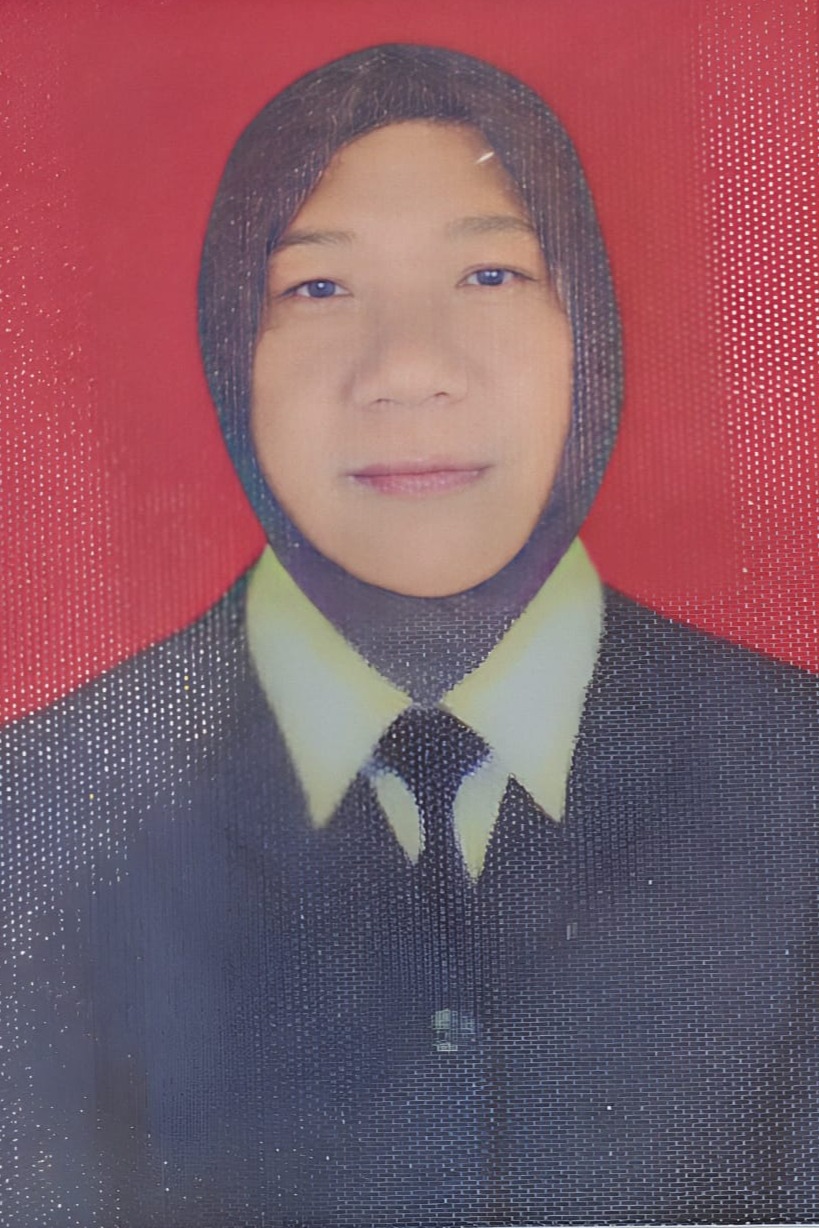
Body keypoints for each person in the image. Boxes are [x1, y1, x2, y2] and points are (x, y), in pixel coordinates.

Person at [2, 43, 817, 1228]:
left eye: (489, 273)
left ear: (589, 323)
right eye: (318, 288)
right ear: (231, 343)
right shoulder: (37, 820)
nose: (409, 369)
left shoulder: (797, 777)